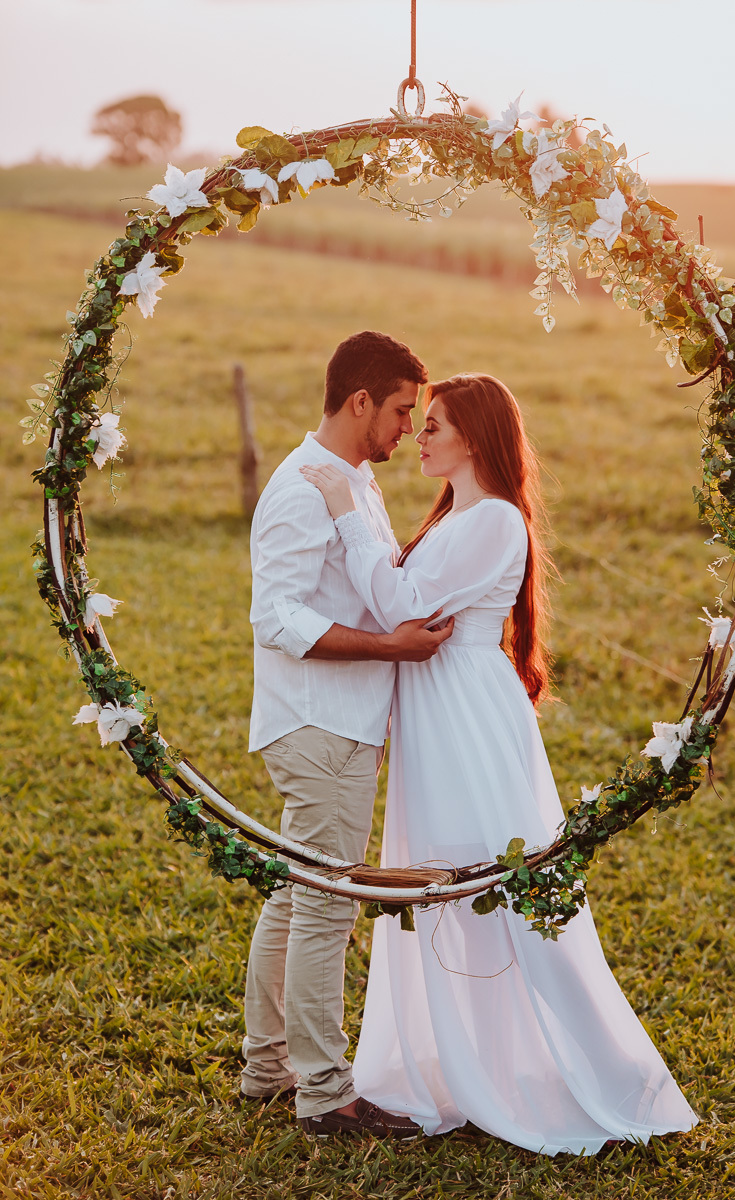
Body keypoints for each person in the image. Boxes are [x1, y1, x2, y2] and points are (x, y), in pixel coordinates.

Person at [300, 372, 698, 1155]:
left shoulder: (494, 522)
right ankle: (461, 1058)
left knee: (487, 878)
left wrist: (348, 512)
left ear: (474, 439)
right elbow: (404, 596)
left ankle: (562, 1064)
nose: (420, 435)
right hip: (440, 713)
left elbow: (397, 606)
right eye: (419, 423)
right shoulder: (460, 515)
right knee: (446, 878)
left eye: (435, 425)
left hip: (466, 719)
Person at [241, 330, 454, 1139]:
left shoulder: (353, 479)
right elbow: (277, 616)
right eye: (402, 411)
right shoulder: (303, 487)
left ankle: (267, 1068)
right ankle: (325, 1095)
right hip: (319, 723)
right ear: (360, 400)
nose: (409, 427)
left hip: (335, 720)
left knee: (298, 901)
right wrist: (389, 647)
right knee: (328, 907)